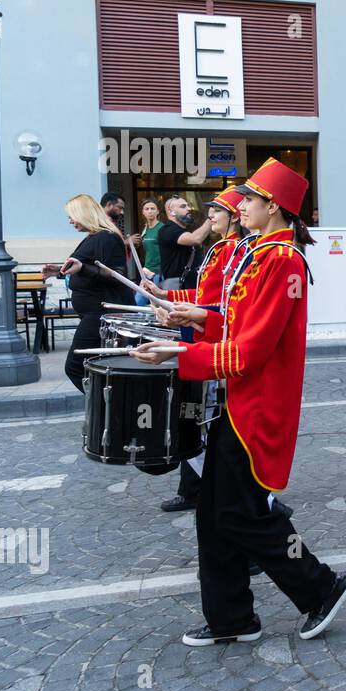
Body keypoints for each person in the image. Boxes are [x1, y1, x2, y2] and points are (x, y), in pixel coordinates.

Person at [133, 158, 346, 645]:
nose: (241, 207)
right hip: (241, 402)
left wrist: (181, 353)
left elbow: (252, 351)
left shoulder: (281, 259)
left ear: (273, 206)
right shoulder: (262, 253)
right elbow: (236, 327)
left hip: (259, 406)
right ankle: (231, 619)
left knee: (243, 514)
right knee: (215, 512)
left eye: (249, 200)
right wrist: (195, 316)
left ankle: (321, 586)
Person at [142, 187, 250, 514]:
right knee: (197, 419)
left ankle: (256, 501)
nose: (209, 216)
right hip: (205, 337)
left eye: (216, 211)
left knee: (202, 420)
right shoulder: (221, 248)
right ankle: (196, 489)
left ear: (234, 216)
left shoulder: (237, 252)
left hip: (215, 344)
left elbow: (226, 307)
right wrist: (166, 295)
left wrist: (192, 315)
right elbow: (203, 294)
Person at [42, 194, 132, 390]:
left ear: (84, 213)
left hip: (100, 313)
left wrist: (82, 268)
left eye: (72, 215)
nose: (70, 221)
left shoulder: (106, 237)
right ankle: (103, 414)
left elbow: (117, 274)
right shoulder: (94, 237)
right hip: (94, 313)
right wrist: (60, 270)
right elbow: (88, 269)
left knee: (75, 367)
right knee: (91, 366)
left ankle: (105, 411)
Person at [156, 196, 213, 289]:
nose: (189, 209)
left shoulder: (186, 230)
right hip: (178, 290)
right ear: (171, 211)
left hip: (191, 288)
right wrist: (211, 218)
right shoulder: (167, 230)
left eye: (188, 206)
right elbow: (195, 239)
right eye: (183, 206)